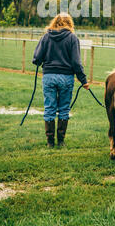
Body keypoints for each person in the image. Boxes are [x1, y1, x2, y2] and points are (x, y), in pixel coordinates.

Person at [32, 13, 89, 148]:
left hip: (49, 77)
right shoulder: (72, 38)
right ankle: (61, 141)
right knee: (64, 109)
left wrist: (41, 60)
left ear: (54, 22)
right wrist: (83, 80)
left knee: (49, 108)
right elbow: (76, 62)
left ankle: (50, 142)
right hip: (66, 78)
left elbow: (36, 59)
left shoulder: (46, 36)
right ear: (70, 23)